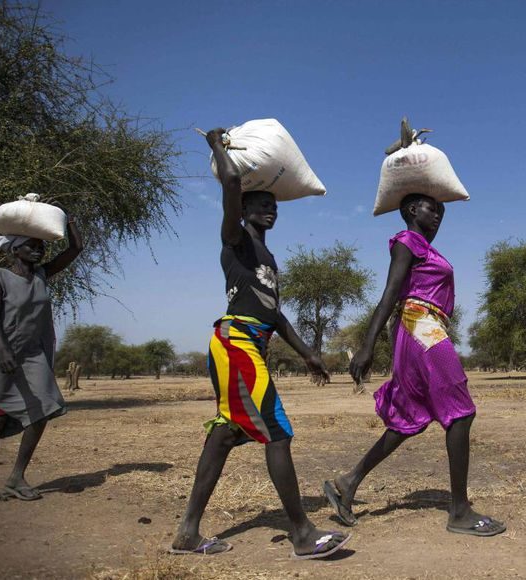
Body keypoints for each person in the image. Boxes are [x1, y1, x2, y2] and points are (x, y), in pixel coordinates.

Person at [170, 128, 351, 559]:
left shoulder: (267, 259)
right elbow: (232, 182)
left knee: (225, 435)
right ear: (242, 208)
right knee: (277, 434)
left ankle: (187, 533)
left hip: (249, 343)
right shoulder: (235, 240)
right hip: (237, 342)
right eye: (260, 204)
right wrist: (216, 144)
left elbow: (275, 315)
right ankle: (303, 533)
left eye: (273, 205)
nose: (270, 210)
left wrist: (308, 353)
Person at [324, 193, 505, 537]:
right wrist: (367, 345)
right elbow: (389, 294)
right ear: (410, 210)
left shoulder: (425, 246)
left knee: (410, 416)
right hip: (420, 325)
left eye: (439, 209)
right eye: (429, 208)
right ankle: (460, 511)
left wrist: (429, 182)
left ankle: (348, 482)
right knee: (462, 413)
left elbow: (442, 207)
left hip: (423, 327)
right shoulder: (407, 242)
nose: (437, 214)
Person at [0, 212, 83, 503]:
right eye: (31, 245)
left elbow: (76, 249)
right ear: (14, 248)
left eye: (40, 245)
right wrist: (3, 350)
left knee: (44, 408)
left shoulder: (41, 276)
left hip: (33, 352)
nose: (38, 250)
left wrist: (69, 221)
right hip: (2, 350)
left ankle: (16, 477)